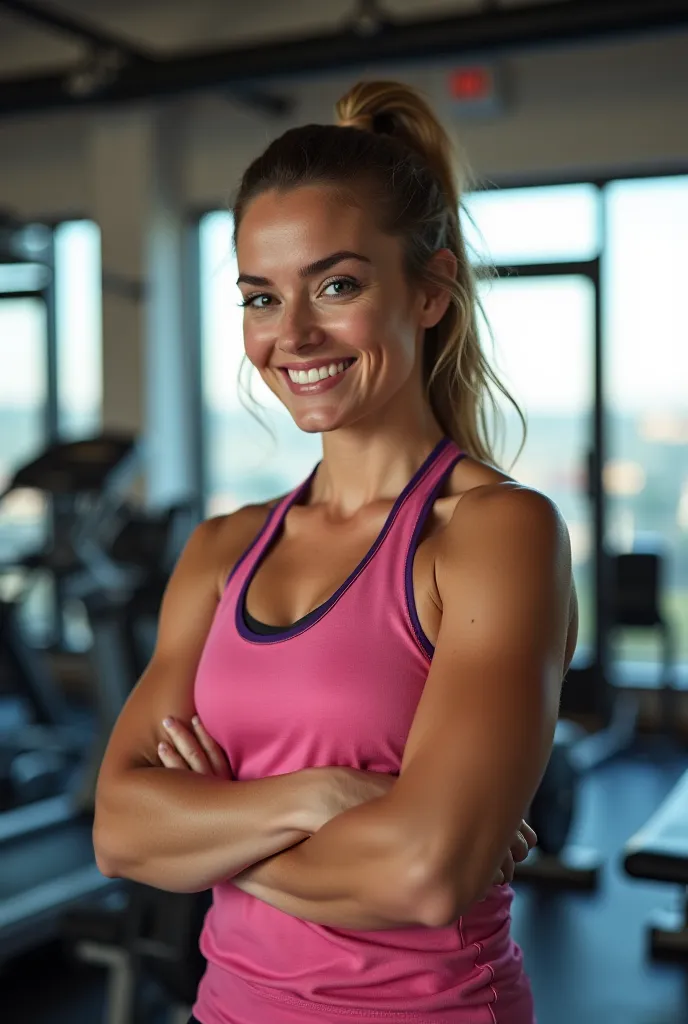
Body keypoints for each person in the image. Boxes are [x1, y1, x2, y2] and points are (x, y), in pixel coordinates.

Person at [94, 79, 577, 1024]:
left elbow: (427, 874)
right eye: (260, 297)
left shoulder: (494, 534)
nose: (293, 335)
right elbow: (118, 830)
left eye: (337, 285)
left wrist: (209, 830)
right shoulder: (221, 549)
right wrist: (322, 796)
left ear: (431, 291)